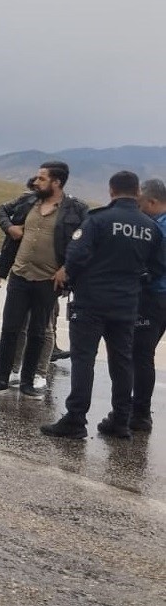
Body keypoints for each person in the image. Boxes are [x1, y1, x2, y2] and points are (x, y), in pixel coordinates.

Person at [42, 171, 166, 439]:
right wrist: (133, 283)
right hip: (127, 305)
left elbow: (76, 256)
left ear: (111, 191)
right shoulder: (150, 227)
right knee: (121, 362)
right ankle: (121, 420)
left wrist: (69, 276)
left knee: (84, 359)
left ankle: (76, 419)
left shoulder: (98, 220)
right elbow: (157, 268)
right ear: (137, 193)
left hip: (91, 303)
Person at [0, 161, 88, 398]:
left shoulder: (76, 210)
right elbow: (1, 210)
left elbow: (85, 242)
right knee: (10, 329)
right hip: (20, 275)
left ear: (56, 182)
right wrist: (9, 228)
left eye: (41, 178)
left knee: (38, 332)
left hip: (48, 281)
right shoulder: (28, 201)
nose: (36, 181)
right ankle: (1, 379)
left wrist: (67, 268)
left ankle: (28, 381)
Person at [127, 178, 166, 433]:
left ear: (152, 201)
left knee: (141, 354)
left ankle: (140, 414)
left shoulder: (156, 229)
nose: (138, 209)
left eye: (141, 203)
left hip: (154, 297)